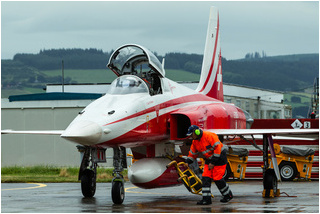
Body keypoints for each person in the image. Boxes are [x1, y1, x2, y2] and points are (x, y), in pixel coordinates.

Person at [185, 125, 233, 205]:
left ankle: (228, 195)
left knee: (217, 178)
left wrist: (213, 163)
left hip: (220, 158)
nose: (190, 137)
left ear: (196, 132)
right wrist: (187, 161)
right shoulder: (195, 142)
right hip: (209, 159)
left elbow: (218, 149)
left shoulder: (209, 136)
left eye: (191, 134)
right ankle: (206, 199)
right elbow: (192, 154)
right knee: (205, 178)